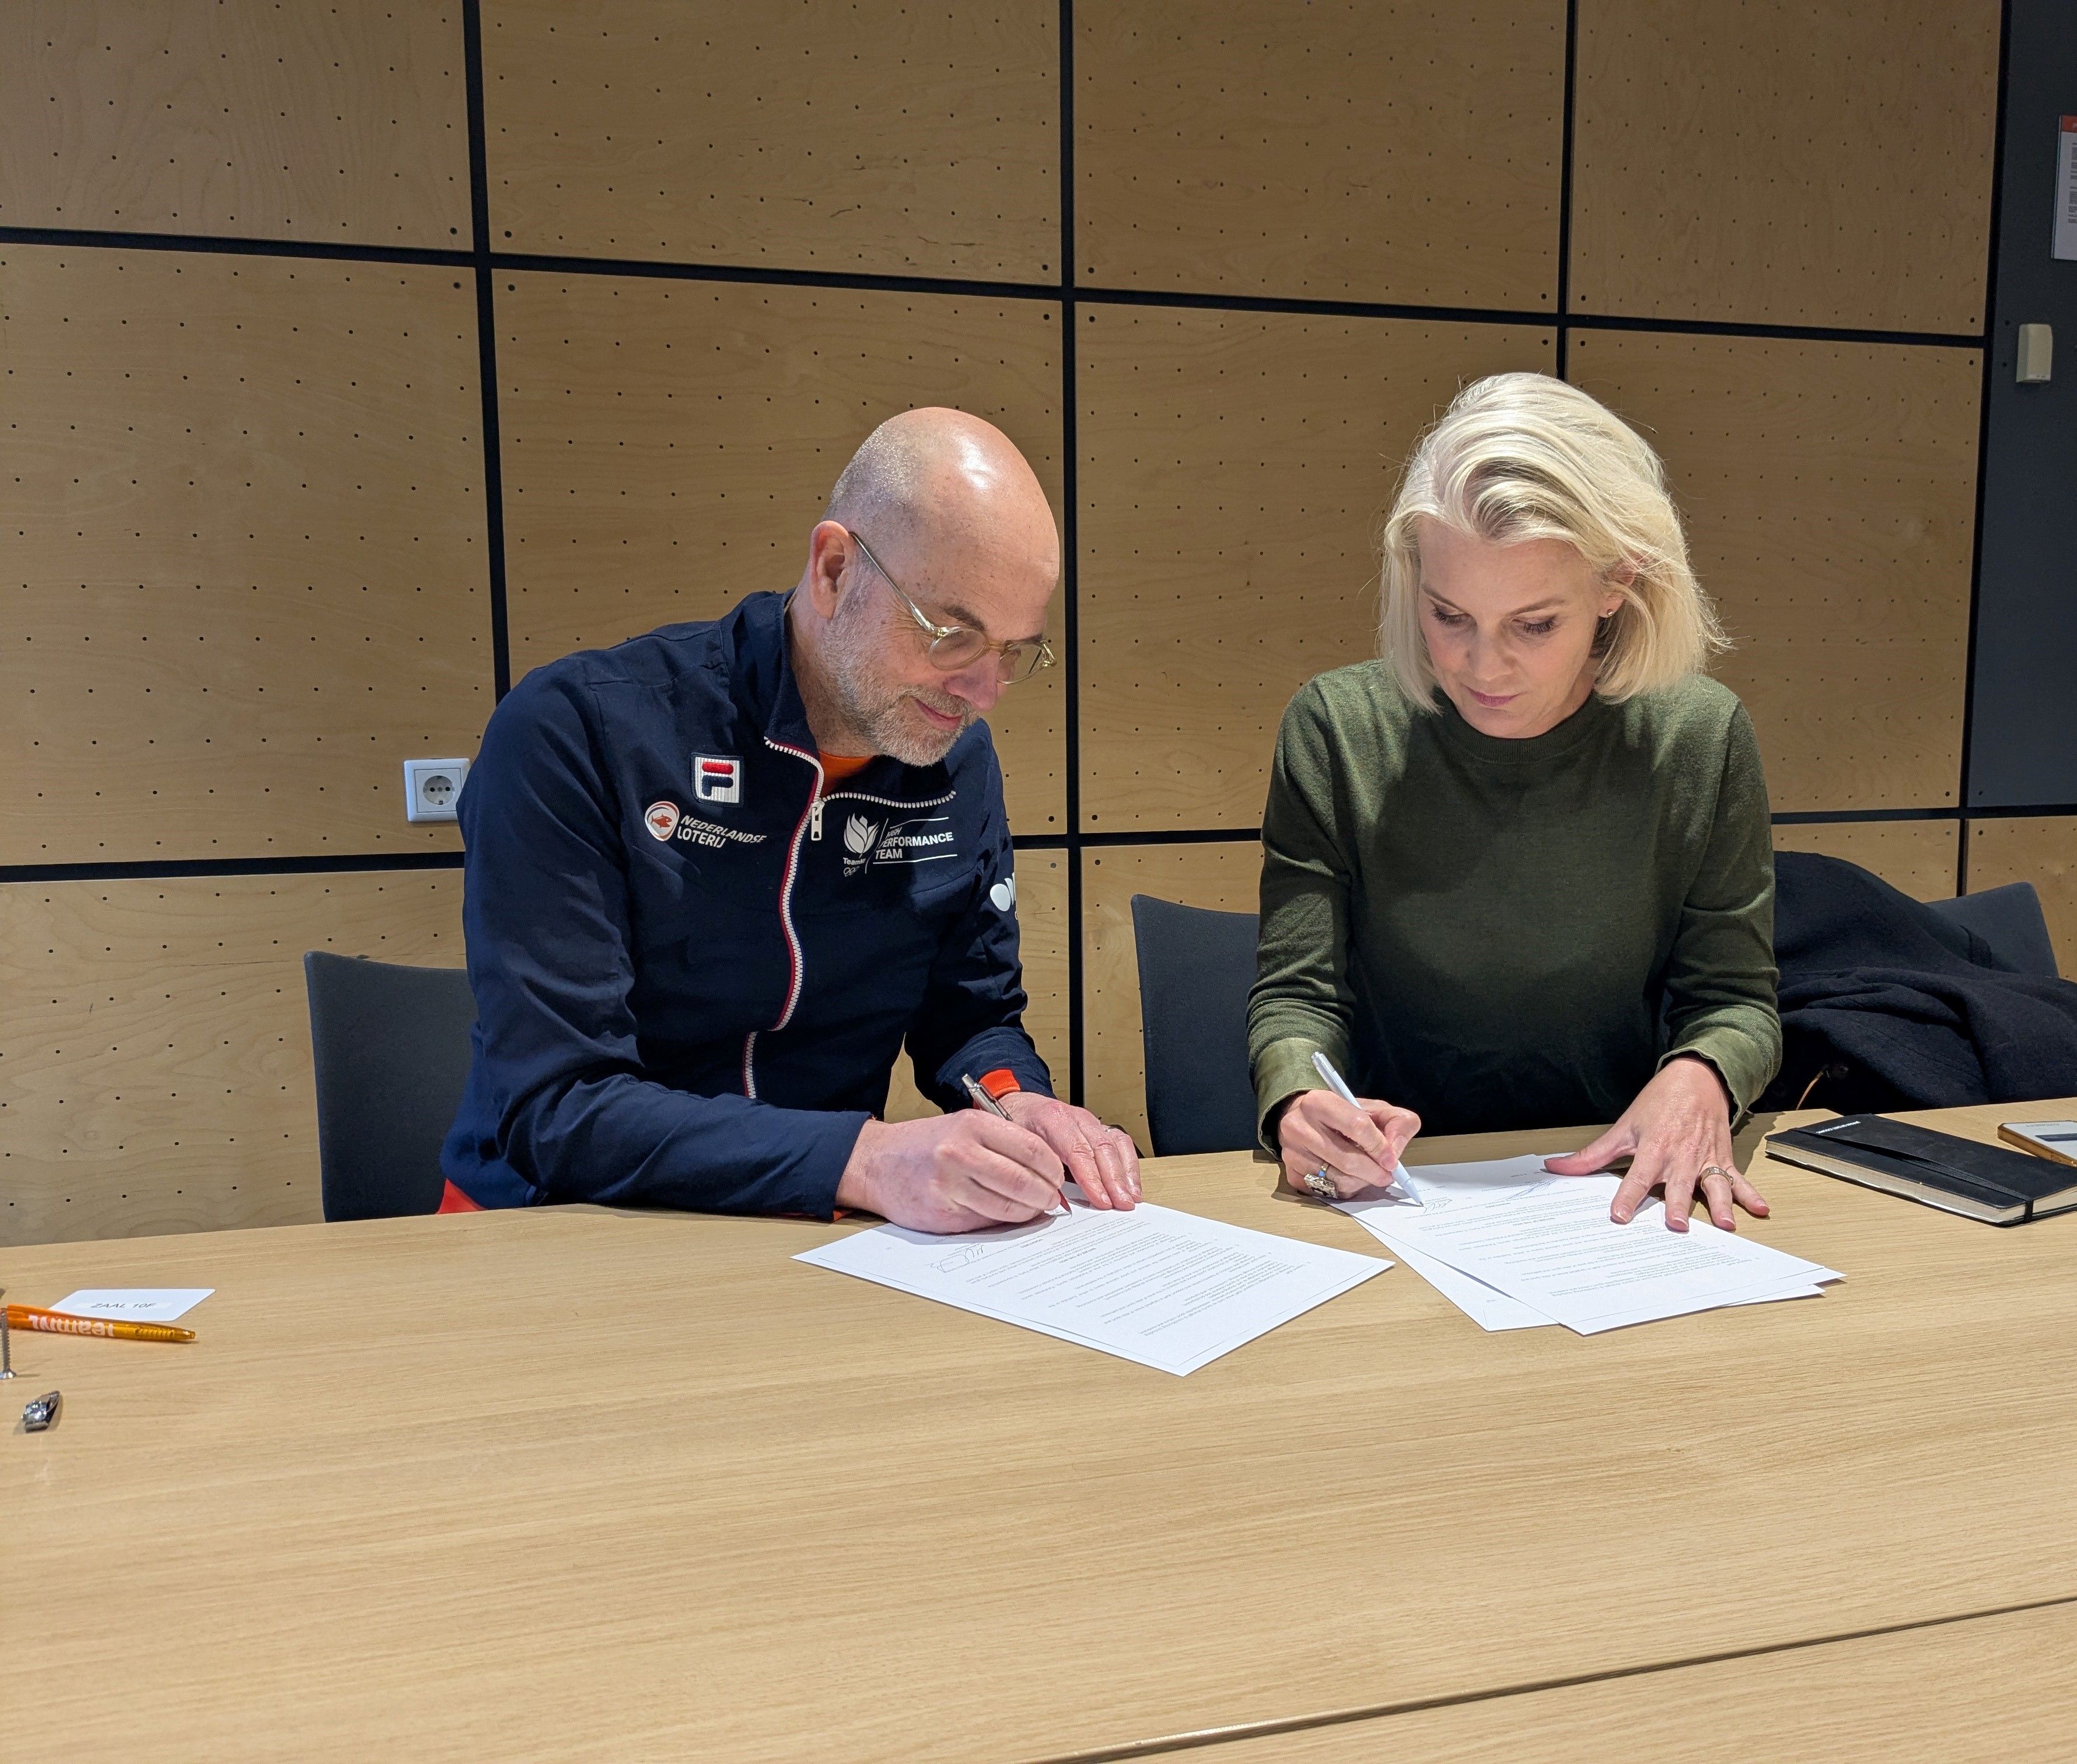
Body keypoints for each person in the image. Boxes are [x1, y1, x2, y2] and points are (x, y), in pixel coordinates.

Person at [442, 408, 1140, 1231]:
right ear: (835, 570)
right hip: (556, 1224)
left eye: (1014, 652)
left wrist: (1015, 1101)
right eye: (953, 636)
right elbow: (562, 1108)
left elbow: (971, 1020)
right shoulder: (575, 733)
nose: (983, 694)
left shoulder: (954, 765)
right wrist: (865, 1159)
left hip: (815, 1226)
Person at [1248, 373, 1781, 1232]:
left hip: (1611, 1191)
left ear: (1617, 586)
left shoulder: (1698, 738)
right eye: (1448, 615)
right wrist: (1299, 1099)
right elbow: (1297, 999)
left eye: (1534, 625)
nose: (1483, 667)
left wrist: (1703, 1075)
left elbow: (1735, 1000)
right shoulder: (1338, 729)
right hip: (1395, 1193)